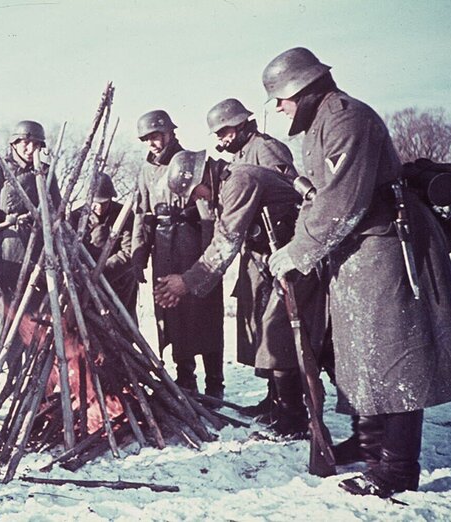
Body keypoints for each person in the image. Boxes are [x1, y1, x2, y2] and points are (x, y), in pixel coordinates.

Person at [262, 47, 451, 497]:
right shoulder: (323, 123)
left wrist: (297, 251)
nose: (279, 108)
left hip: (386, 247)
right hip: (358, 251)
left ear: (301, 90)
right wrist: (299, 245)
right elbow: (322, 200)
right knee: (363, 352)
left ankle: (397, 469)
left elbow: (342, 201)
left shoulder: (347, 119)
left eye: (281, 98)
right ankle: (372, 444)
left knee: (395, 353)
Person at [154, 150, 321, 436]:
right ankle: (284, 410)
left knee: (278, 332)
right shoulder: (229, 185)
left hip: (302, 261)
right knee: (274, 332)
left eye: (196, 192)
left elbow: (226, 241)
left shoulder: (239, 182)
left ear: (202, 175)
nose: (198, 199)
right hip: (285, 261)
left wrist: (185, 282)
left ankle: (294, 420)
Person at [205, 97, 309, 423]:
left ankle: (289, 405)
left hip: (277, 247)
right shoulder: (238, 157)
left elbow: (290, 193)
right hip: (256, 251)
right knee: (260, 324)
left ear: (240, 124)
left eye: (224, 131)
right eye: (218, 134)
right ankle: (273, 398)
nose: (221, 139)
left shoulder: (266, 148)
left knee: (278, 326)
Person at [131, 110, 224, 399]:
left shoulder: (194, 162)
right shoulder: (146, 171)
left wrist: (209, 254)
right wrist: (138, 256)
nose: (153, 144)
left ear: (170, 133)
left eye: (156, 136)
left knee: (205, 313)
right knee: (172, 315)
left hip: (193, 244)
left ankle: (214, 384)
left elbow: (209, 210)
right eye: (147, 139)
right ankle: (186, 380)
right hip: (163, 247)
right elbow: (141, 214)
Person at [0, 120, 61, 346]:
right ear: (14, 144)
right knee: (9, 322)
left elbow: (57, 210)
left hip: (38, 254)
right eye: (25, 143)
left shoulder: (45, 173)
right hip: (7, 253)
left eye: (35, 144)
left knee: (35, 319)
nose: (30, 148)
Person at [69, 173, 137, 318]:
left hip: (118, 280)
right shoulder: (76, 217)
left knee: (122, 325)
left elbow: (128, 251)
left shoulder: (124, 214)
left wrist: (101, 270)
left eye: (104, 202)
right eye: (95, 202)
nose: (99, 207)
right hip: (85, 282)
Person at [207, 97, 297, 180]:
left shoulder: (264, 146)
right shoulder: (238, 155)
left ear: (239, 124)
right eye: (217, 134)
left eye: (222, 131)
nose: (219, 137)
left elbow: (287, 187)